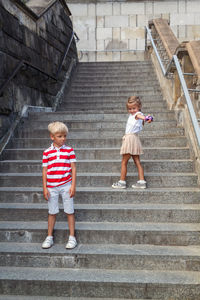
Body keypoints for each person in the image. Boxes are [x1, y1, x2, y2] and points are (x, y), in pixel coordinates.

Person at [41, 121, 77, 249]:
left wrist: (73, 186)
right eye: (60, 136)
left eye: (64, 136)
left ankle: (72, 237)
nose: (63, 139)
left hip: (66, 185)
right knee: (52, 212)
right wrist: (45, 188)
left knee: (69, 211)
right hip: (51, 187)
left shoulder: (69, 151)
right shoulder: (47, 152)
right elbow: (45, 170)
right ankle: (49, 236)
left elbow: (73, 168)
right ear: (52, 137)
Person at [112, 96, 153, 189]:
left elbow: (142, 117)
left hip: (130, 138)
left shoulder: (137, 114)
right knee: (137, 161)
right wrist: (147, 118)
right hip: (134, 139)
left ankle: (122, 182)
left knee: (124, 162)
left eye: (134, 108)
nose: (132, 110)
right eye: (129, 109)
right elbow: (143, 118)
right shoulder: (136, 114)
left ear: (139, 106)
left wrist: (147, 118)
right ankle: (142, 181)